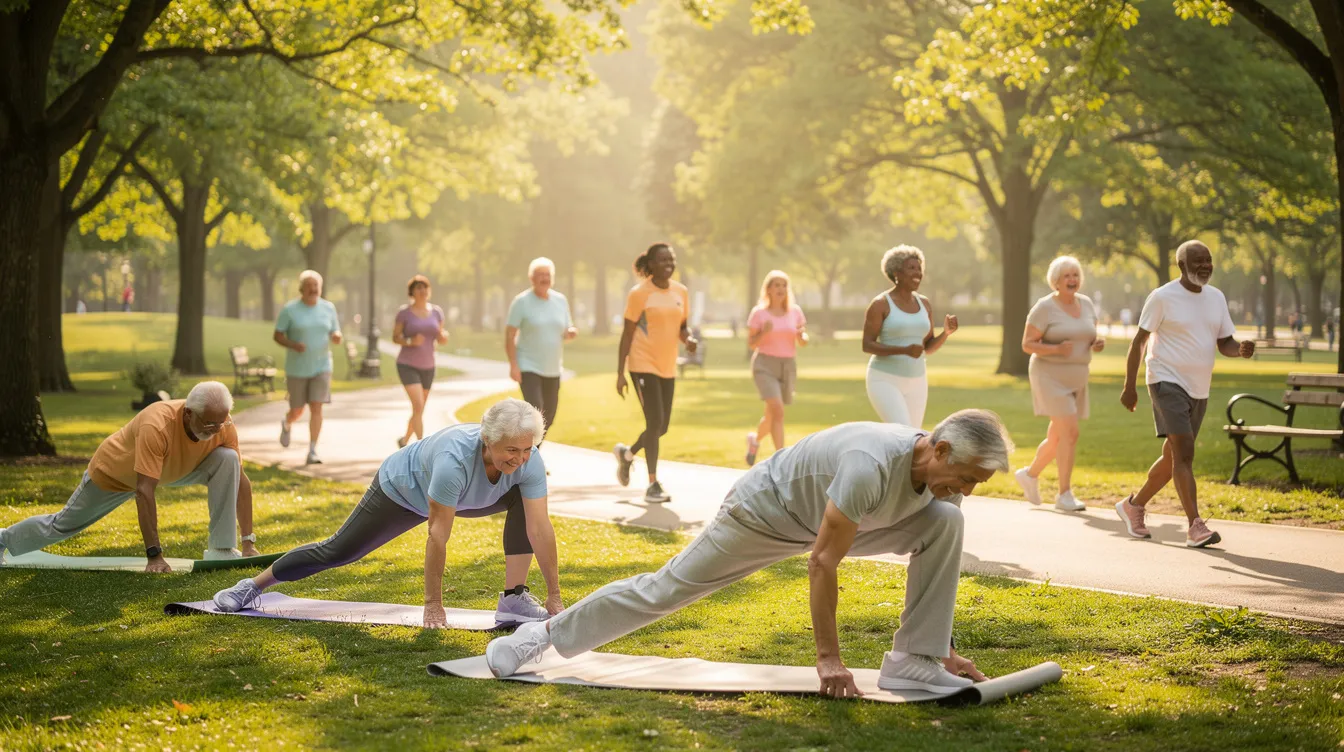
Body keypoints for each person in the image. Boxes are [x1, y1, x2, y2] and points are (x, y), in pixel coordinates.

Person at [486, 410, 1014, 697]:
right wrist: (828, 660)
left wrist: (941, 645)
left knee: (945, 521)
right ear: (940, 450)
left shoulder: (937, 480)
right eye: (966, 477)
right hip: (762, 514)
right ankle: (540, 637)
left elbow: (841, 542)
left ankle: (915, 661)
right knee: (664, 590)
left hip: (828, 519)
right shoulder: (869, 464)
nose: (966, 487)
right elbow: (823, 562)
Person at [213, 399, 565, 626]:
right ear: (487, 441)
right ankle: (251, 586)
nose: (519, 458)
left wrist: (554, 594)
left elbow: (540, 529)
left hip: (473, 496)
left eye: (526, 449)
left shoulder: (529, 462)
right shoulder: (453, 461)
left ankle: (513, 599)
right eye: (511, 450)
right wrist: (433, 604)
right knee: (338, 551)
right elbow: (438, 536)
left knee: (525, 500)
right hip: (401, 490)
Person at [0, 382, 260, 572]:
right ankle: (4, 538)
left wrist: (248, 542)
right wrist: (154, 556)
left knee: (228, 460)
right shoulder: (156, 424)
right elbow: (144, 491)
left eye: (221, 423)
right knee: (60, 526)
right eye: (209, 425)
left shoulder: (222, 425)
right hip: (113, 476)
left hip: (174, 468)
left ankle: (221, 550)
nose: (216, 431)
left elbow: (240, 480)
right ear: (189, 413)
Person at [1118, 240, 1255, 548]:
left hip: (1199, 388)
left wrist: (1240, 350)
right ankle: (1195, 526)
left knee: (1173, 455)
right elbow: (1139, 342)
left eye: (1208, 260)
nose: (1205, 265)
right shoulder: (1163, 297)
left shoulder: (1216, 298)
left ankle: (1133, 506)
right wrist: (1129, 386)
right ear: (1181, 265)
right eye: (1198, 261)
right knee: (1186, 452)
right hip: (1165, 381)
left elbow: (1225, 342)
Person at [1014, 256, 1105, 512]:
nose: (1072, 280)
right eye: (1067, 276)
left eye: (1075, 275)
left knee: (1058, 436)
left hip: (1077, 377)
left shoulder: (1086, 304)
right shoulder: (1044, 308)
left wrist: (1097, 344)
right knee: (1071, 433)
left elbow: (1090, 335)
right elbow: (1027, 344)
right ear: (1056, 281)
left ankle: (1030, 475)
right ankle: (1064, 494)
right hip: (1049, 376)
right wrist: (1055, 348)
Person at [613, 243, 697, 504]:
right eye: (662, 260)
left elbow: (682, 327)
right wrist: (620, 373)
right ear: (651, 264)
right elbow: (627, 333)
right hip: (642, 364)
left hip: (667, 366)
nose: (668, 264)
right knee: (654, 423)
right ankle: (652, 484)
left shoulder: (681, 292)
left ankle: (628, 455)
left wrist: (689, 339)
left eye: (671, 259)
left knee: (662, 427)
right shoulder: (639, 294)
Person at [862, 245, 958, 428]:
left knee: (914, 438)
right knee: (903, 434)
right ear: (896, 272)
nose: (918, 273)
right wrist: (903, 350)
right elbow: (867, 345)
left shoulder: (924, 304)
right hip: (884, 379)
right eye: (911, 268)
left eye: (919, 268)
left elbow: (927, 347)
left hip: (917, 381)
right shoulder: (881, 304)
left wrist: (945, 333)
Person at [274, 270, 343, 465]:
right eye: (310, 286)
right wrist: (293, 345)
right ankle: (287, 423)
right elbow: (278, 335)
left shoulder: (328, 308)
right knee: (297, 409)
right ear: (302, 288)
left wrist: (336, 335)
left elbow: (335, 329)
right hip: (297, 368)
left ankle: (312, 450)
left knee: (317, 407)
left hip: (322, 365)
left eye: (316, 286)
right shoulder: (290, 310)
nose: (313, 289)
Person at [506, 257, 577, 440]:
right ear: (532, 278)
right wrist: (514, 365)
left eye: (547, 275)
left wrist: (569, 333)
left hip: (553, 367)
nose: (544, 278)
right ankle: (529, 459)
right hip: (528, 365)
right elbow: (509, 335)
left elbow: (565, 329)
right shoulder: (521, 302)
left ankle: (530, 454)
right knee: (535, 410)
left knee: (549, 415)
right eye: (540, 275)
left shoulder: (560, 300)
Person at [745, 270, 809, 466]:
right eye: (777, 285)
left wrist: (802, 337)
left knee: (772, 414)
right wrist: (763, 332)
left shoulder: (795, 312)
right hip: (764, 364)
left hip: (787, 365)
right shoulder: (759, 313)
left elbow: (803, 339)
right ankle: (781, 459)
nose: (781, 289)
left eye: (784, 285)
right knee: (778, 410)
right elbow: (751, 344)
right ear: (769, 290)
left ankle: (754, 440)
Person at [393, 275, 449, 448]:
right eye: (418, 288)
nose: (422, 291)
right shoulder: (405, 313)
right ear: (412, 292)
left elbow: (441, 337)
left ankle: (404, 440)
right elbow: (395, 337)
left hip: (428, 365)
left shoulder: (437, 312)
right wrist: (410, 341)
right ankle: (420, 446)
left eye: (425, 287)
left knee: (419, 409)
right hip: (407, 364)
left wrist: (443, 337)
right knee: (418, 405)